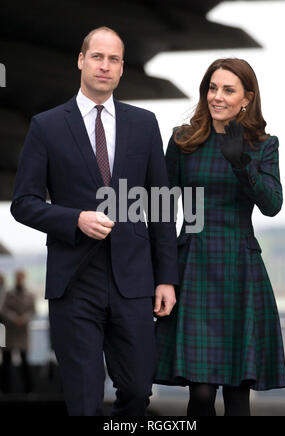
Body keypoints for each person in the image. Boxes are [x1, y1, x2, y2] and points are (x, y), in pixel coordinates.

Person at [11, 27, 178, 416]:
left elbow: (162, 205)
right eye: (97, 57)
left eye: (114, 59)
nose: (105, 66)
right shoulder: (46, 126)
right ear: (81, 60)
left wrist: (166, 276)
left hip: (134, 281)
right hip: (74, 282)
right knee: (83, 401)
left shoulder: (144, 124)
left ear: (121, 69)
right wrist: (75, 219)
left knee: (137, 391)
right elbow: (23, 203)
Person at [154, 58, 285, 416]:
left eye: (228, 90)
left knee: (237, 393)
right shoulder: (183, 140)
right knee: (199, 393)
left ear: (246, 98)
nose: (217, 96)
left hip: (238, 265)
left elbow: (272, 204)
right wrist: (163, 275)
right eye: (212, 88)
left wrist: (242, 162)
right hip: (193, 263)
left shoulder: (263, 145)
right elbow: (163, 210)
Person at [0, 270, 35, 393]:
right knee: (7, 360)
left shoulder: (29, 294)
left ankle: (28, 389)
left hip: (21, 332)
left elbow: (32, 311)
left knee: (24, 360)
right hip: (11, 331)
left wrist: (23, 319)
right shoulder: (9, 294)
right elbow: (3, 310)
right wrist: (14, 318)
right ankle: (6, 389)